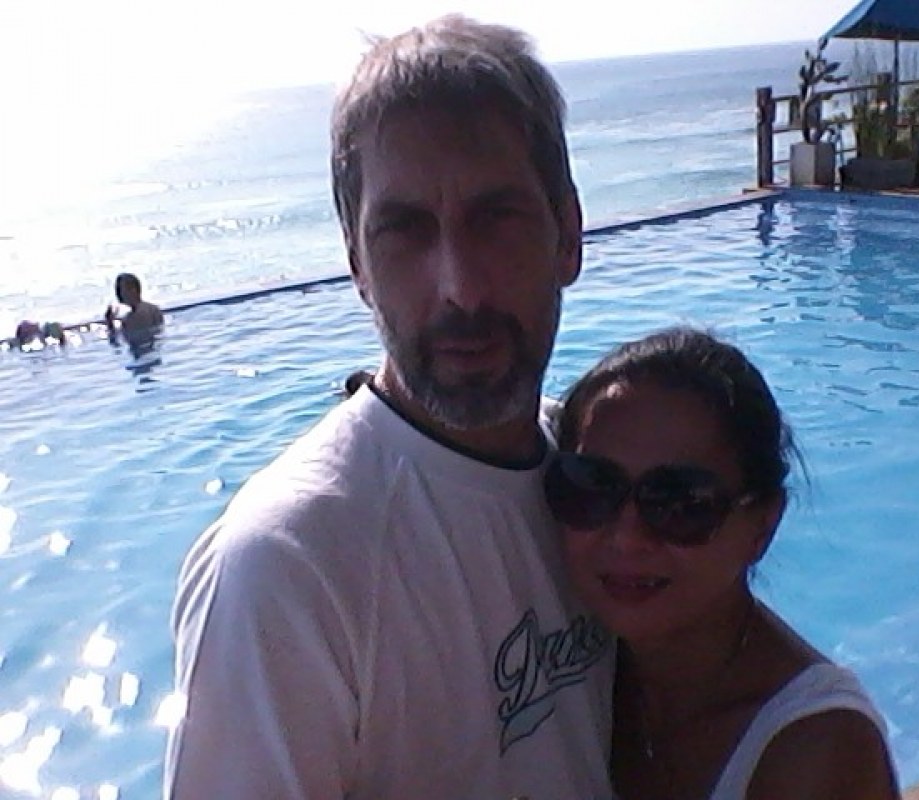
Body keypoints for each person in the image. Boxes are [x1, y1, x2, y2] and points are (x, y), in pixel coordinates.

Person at [165, 15, 612, 800]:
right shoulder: (288, 567)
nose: (460, 288)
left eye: (495, 219)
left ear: (567, 234)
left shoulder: (601, 487)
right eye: (405, 231)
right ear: (357, 264)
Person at [547, 327, 901, 800]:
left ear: (763, 526)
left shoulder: (816, 752)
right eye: (593, 485)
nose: (627, 538)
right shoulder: (583, 673)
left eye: (682, 503)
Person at [104, 272, 164, 341]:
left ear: (133, 289)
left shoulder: (129, 318)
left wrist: (110, 323)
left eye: (120, 290)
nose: (119, 294)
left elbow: (116, 340)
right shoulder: (154, 309)